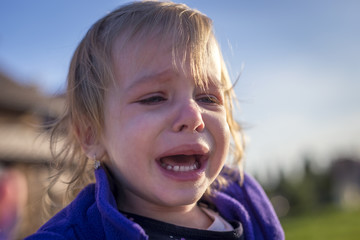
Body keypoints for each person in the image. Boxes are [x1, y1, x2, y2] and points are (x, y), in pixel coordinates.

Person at [26, 1, 284, 239]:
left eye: (207, 98)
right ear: (91, 134)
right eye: (154, 98)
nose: (193, 117)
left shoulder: (248, 204)